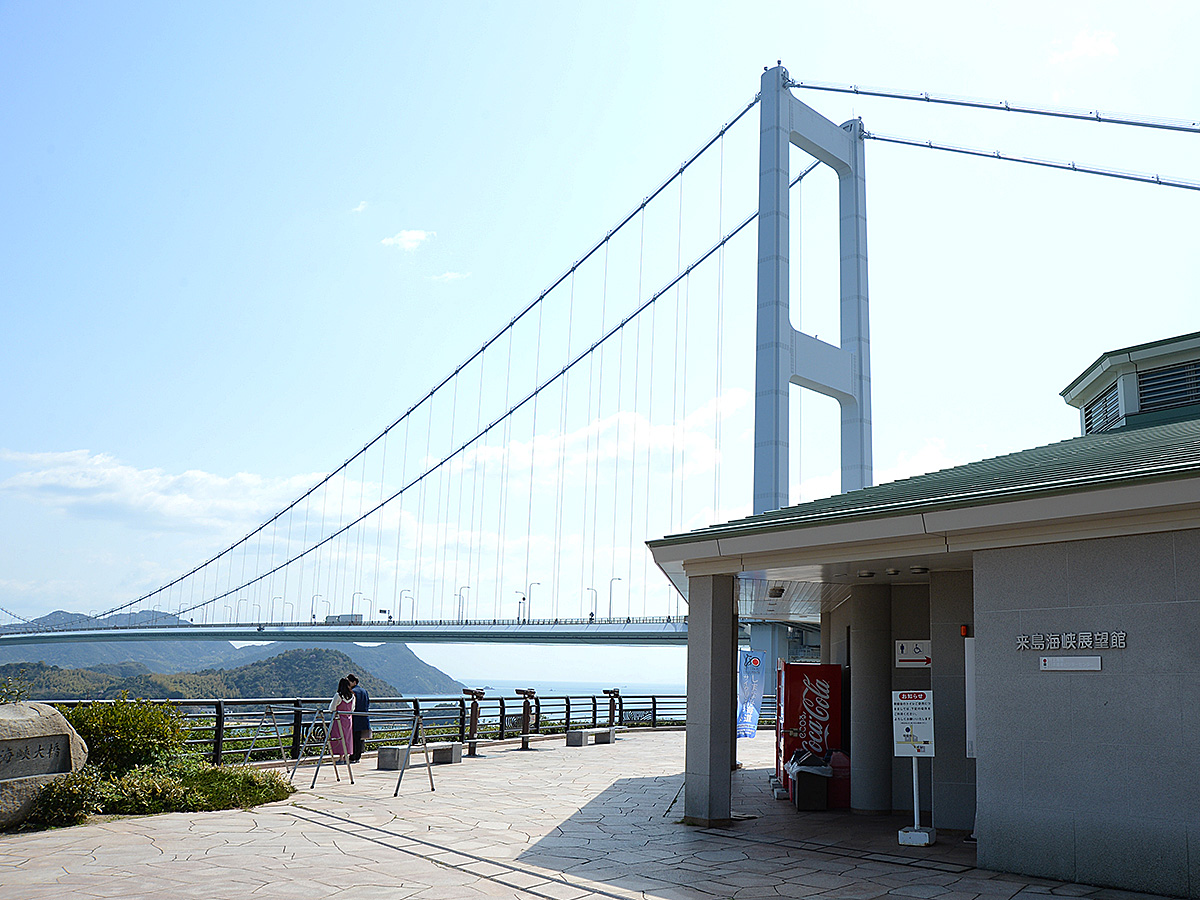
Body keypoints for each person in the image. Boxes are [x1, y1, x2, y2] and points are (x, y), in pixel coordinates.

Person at [328, 676, 355, 762]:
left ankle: (340, 757)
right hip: (348, 718)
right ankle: (346, 755)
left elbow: (332, 708)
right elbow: (352, 709)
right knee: (347, 737)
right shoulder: (352, 696)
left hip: (339, 719)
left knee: (339, 737)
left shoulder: (338, 695)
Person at [347, 673, 370, 763]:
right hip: (363, 716)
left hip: (354, 717)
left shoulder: (353, 692)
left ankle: (353, 756)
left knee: (354, 737)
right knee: (359, 738)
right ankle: (358, 756)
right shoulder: (364, 691)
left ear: (354, 682)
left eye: (349, 682)